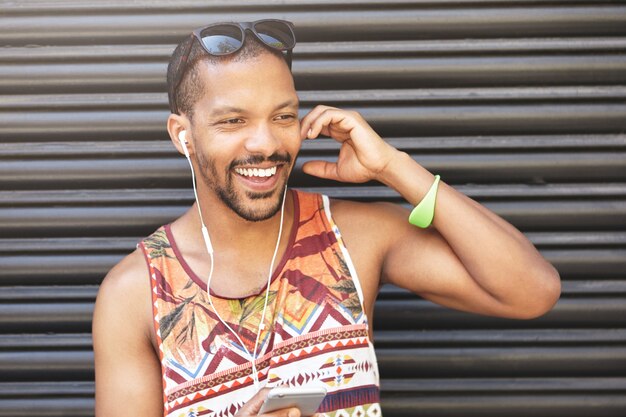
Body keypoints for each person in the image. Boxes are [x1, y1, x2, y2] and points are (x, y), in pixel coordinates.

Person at [92, 19, 561, 417]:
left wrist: (393, 167)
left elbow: (532, 291)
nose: (266, 144)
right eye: (232, 121)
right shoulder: (136, 292)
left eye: (283, 116)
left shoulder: (353, 235)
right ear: (183, 136)